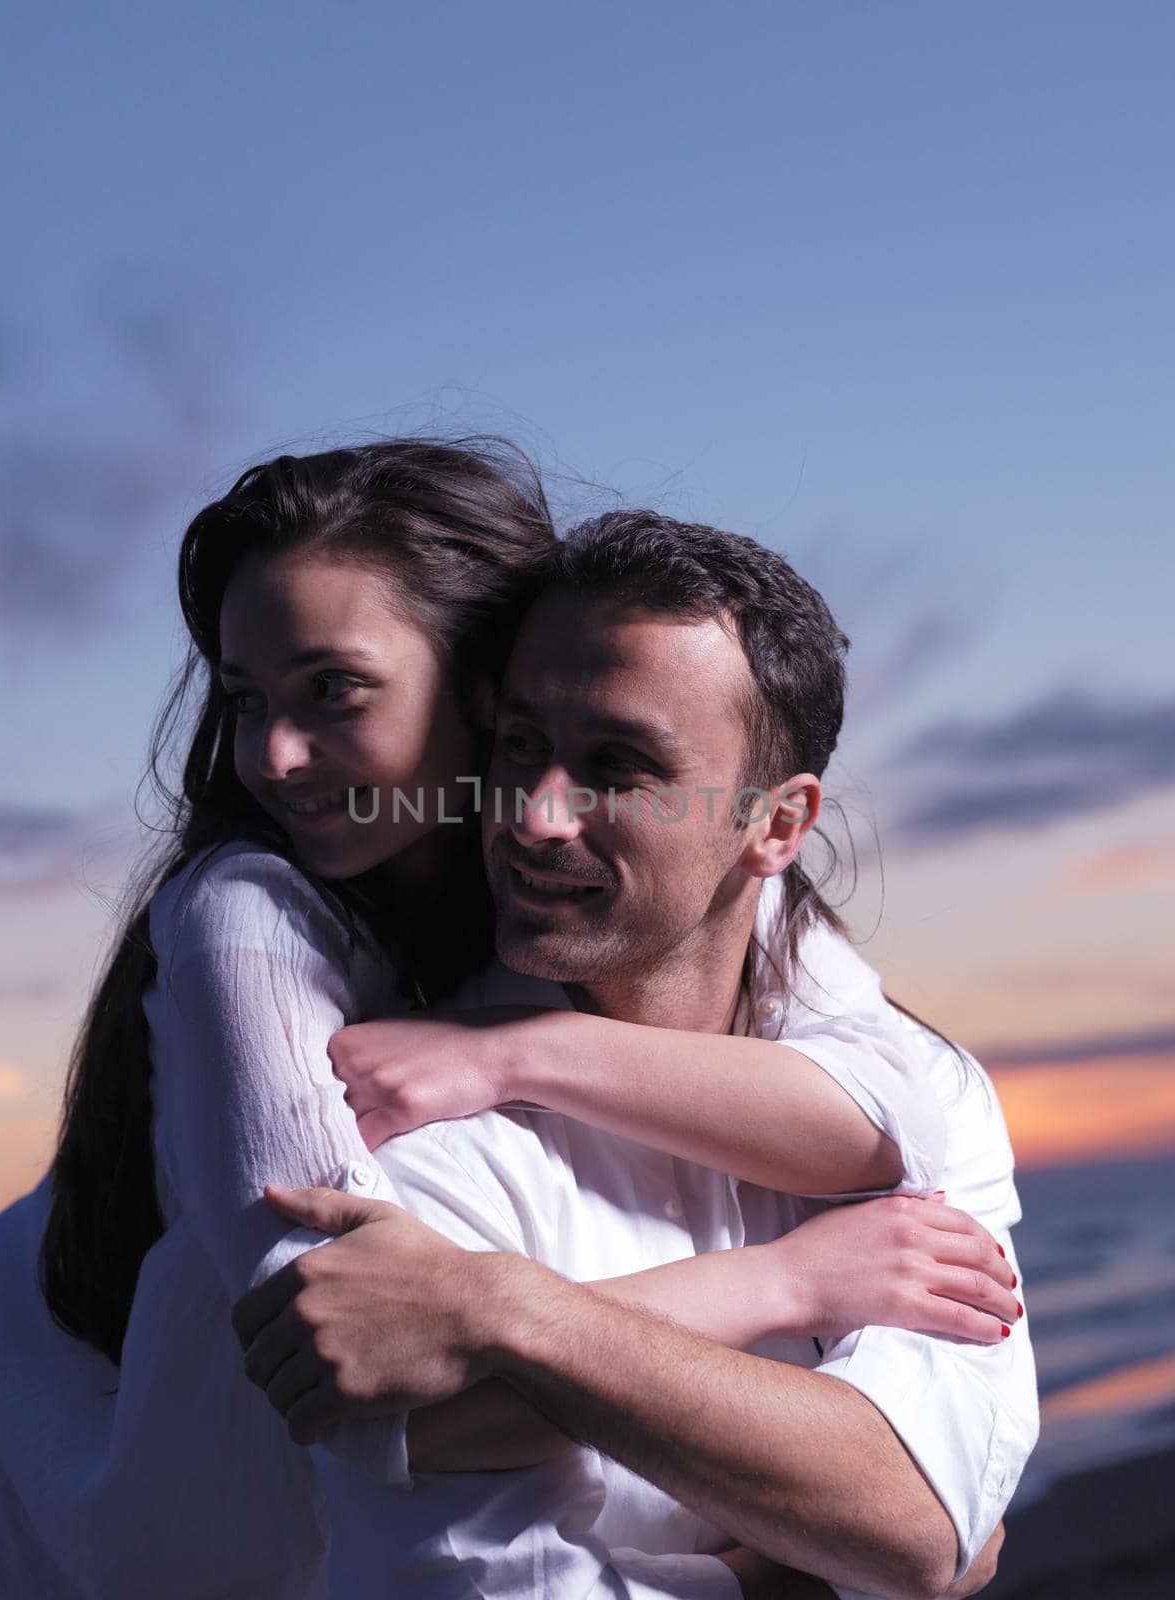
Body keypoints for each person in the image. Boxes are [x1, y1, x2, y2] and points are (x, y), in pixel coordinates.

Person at [0, 453, 1006, 1600]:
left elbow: (911, 1133)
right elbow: (355, 1355)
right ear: (496, 715)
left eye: (335, 688)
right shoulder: (268, 946)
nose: (270, 751)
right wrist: (781, 1298)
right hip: (102, 1491)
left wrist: (525, 1061)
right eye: (251, 697)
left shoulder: (801, 984)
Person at [230, 511, 1039, 1599]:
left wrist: (505, 1309)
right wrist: (812, 1569)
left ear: (776, 825)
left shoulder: (914, 1090)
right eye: (520, 745)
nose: (533, 815)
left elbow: (919, 1520)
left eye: (617, 765)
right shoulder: (414, 1138)